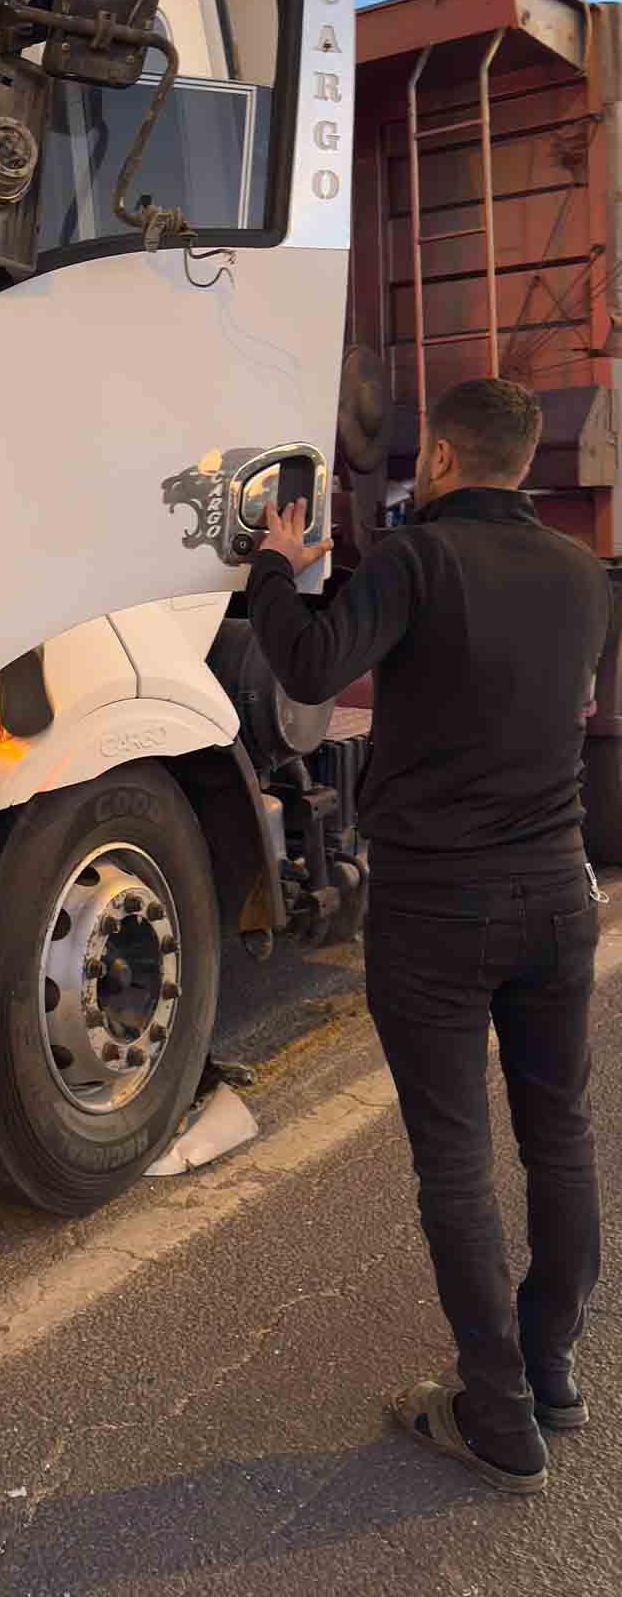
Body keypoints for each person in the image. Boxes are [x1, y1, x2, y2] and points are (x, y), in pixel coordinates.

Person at [248, 376, 611, 1496]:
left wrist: (279, 563)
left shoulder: (415, 559)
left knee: (454, 1157)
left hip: (437, 907)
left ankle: (495, 1413)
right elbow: (580, 708)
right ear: (525, 462)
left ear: (443, 459)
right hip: (558, 891)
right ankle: (548, 1372)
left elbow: (311, 665)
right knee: (561, 1136)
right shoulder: (582, 573)